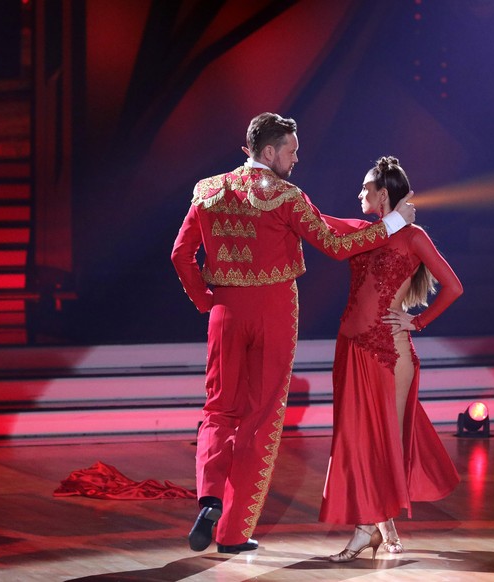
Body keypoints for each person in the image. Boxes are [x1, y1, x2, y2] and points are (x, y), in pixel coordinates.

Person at [170, 113, 416, 554]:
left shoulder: (207, 190)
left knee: (219, 409)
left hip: (225, 310)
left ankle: (208, 497)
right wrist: (393, 226)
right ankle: (231, 533)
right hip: (274, 311)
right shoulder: (286, 196)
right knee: (260, 419)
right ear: (269, 152)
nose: (297, 158)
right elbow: (334, 243)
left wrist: (206, 300)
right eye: (291, 150)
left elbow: (180, 253)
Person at [319, 156, 463, 562]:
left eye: (366, 188)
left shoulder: (415, 236)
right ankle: (374, 526)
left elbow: (453, 286)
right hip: (349, 347)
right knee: (355, 440)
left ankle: (375, 527)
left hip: (389, 351)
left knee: (385, 441)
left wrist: (416, 322)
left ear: (384, 194)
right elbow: (314, 220)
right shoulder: (363, 232)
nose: (360, 193)